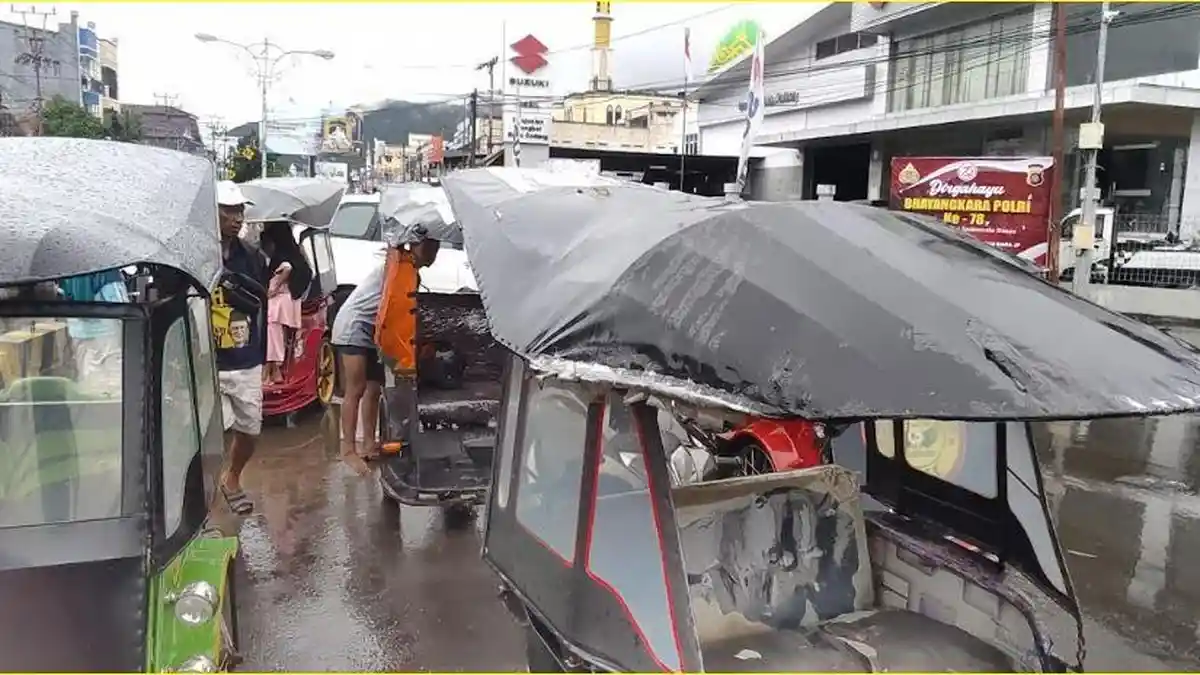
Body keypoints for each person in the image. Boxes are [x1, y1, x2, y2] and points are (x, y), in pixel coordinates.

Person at [331, 235, 439, 470]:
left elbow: (405, 312)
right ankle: (348, 449)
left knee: (373, 389)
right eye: (429, 245)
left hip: (376, 330)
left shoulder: (411, 272)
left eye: (437, 246)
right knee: (355, 388)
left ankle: (369, 444)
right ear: (416, 245)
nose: (434, 251)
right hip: (355, 324)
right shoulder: (399, 266)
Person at [212, 180, 270, 515]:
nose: (237, 218)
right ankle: (201, 496)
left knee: (250, 428)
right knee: (208, 434)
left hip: (244, 355)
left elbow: (260, 299)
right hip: (208, 359)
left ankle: (232, 477)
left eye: (240, 210)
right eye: (228, 210)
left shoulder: (251, 256)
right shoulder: (196, 251)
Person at [260, 221, 313, 384]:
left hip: (278, 304)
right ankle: (273, 369)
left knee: (270, 328)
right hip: (291, 302)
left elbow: (271, 290)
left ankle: (272, 369)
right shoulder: (296, 255)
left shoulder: (282, 261)